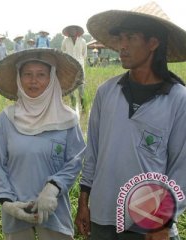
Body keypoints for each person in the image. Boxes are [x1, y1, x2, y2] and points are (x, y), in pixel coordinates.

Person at [75, 2, 186, 240]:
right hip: (103, 215)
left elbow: (182, 168)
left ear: (153, 43)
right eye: (120, 38)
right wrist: (83, 200)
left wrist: (163, 221)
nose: (121, 46)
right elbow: (93, 151)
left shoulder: (178, 99)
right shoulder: (107, 92)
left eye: (131, 37)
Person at [0, 48, 86, 240]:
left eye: (41, 74)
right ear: (19, 78)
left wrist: (53, 188)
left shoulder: (67, 120)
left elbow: (75, 161)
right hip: (16, 212)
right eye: (27, 74)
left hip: (54, 211)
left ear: (52, 79)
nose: (34, 81)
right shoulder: (6, 119)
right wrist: (8, 203)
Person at [61, 25, 87, 110]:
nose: (72, 31)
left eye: (74, 29)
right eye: (70, 30)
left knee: (81, 88)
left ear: (77, 31)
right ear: (68, 31)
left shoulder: (83, 41)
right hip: (69, 66)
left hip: (80, 66)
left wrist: (80, 61)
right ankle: (73, 108)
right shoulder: (65, 41)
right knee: (70, 87)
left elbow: (84, 54)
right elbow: (63, 52)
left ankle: (83, 107)